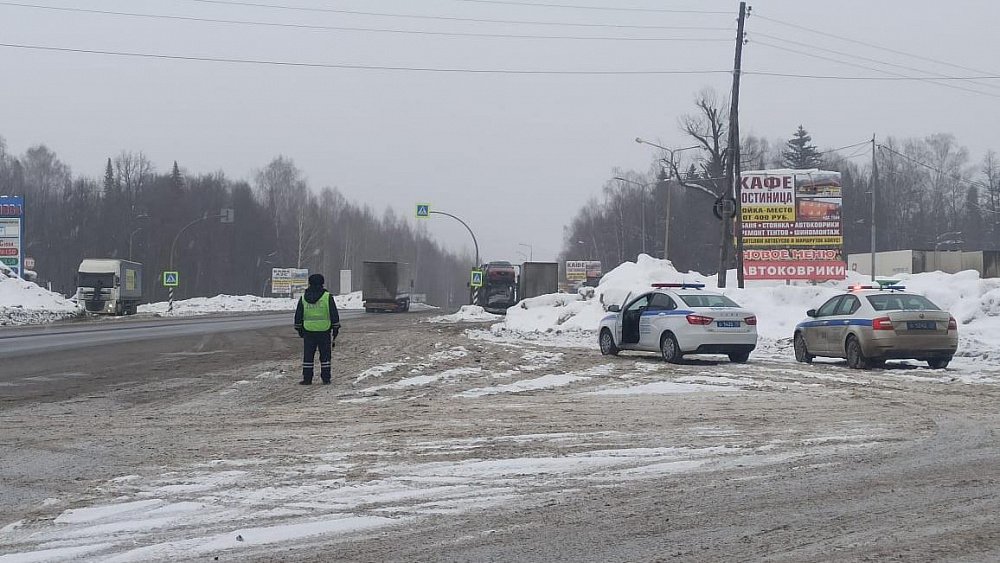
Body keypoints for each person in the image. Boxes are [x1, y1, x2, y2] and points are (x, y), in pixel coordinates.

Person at [293, 273, 340, 385]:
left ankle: (307, 379)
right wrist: (335, 327)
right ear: (322, 283)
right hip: (324, 331)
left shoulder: (304, 297)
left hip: (308, 331)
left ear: (309, 283)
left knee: (308, 356)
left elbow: (299, 314)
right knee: (325, 356)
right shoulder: (327, 297)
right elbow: (333, 313)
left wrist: (299, 329)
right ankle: (326, 378)